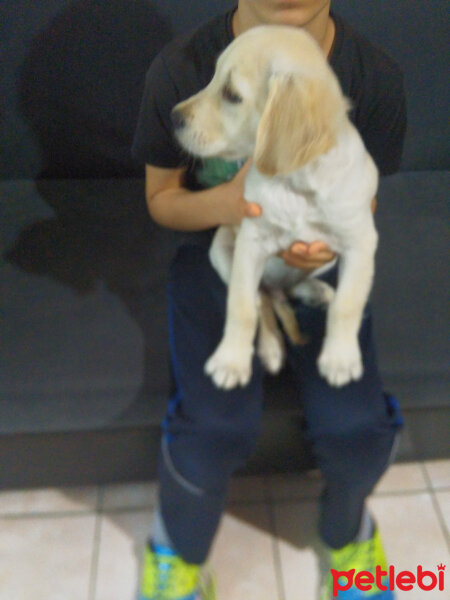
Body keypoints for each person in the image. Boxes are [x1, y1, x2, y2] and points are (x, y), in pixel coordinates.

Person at [132, 1, 407, 599]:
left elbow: (366, 193)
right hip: (224, 247)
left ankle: (349, 532)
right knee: (213, 425)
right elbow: (162, 198)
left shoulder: (374, 76)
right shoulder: (181, 67)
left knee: (357, 428)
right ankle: (177, 549)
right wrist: (231, 206)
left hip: (319, 261)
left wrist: (324, 245)